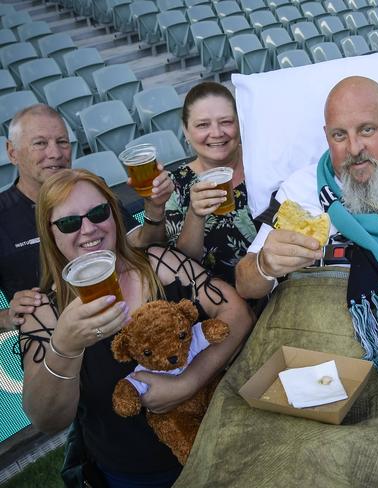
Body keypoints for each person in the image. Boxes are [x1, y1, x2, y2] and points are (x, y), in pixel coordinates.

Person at [172, 76, 378, 487]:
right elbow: (246, 284)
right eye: (339, 135)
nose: (354, 149)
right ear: (325, 137)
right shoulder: (300, 188)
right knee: (242, 449)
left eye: (367, 130)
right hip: (299, 358)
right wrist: (264, 265)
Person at [18, 168, 255, 487]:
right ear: (51, 234)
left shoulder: (159, 264)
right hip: (135, 477)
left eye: (99, 213)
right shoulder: (43, 314)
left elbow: (237, 314)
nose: (88, 229)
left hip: (219, 443)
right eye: (70, 222)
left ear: (114, 216)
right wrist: (65, 347)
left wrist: (189, 381)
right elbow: (48, 419)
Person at [0, 104, 174, 331]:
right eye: (40, 143)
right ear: (12, 152)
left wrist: (154, 209)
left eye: (62, 142)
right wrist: (8, 317)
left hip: (128, 318)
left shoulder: (89, 191)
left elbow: (141, 245)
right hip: (61, 346)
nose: (55, 153)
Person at [165, 81, 257, 285]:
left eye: (226, 121)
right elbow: (184, 266)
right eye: (202, 125)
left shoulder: (264, 161)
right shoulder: (176, 186)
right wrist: (195, 215)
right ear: (186, 132)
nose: (216, 133)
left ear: (239, 123)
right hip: (221, 302)